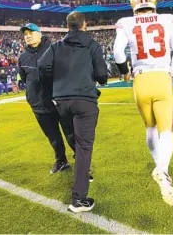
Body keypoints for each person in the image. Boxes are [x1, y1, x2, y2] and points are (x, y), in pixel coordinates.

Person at [113, 0, 173, 207]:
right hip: (161, 77)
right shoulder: (167, 19)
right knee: (167, 131)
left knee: (150, 129)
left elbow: (117, 52)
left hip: (140, 80)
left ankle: (161, 169)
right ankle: (162, 169)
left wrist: (125, 72)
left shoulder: (126, 23)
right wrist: (171, 72)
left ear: (134, 3)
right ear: (154, 1)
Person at [38, 12, 107, 213]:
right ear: (85, 25)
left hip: (61, 101)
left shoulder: (56, 46)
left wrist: (56, 81)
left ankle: (82, 175)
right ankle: (79, 199)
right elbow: (102, 75)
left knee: (74, 139)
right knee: (84, 148)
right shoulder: (93, 45)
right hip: (85, 101)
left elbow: (42, 66)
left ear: (67, 26)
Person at [18, 23, 75, 174]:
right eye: (25, 34)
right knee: (53, 137)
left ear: (39, 33)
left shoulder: (55, 49)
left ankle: (82, 161)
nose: (28, 36)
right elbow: (25, 78)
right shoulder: (23, 57)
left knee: (71, 134)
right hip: (39, 104)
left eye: (30, 32)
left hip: (59, 101)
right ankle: (61, 161)